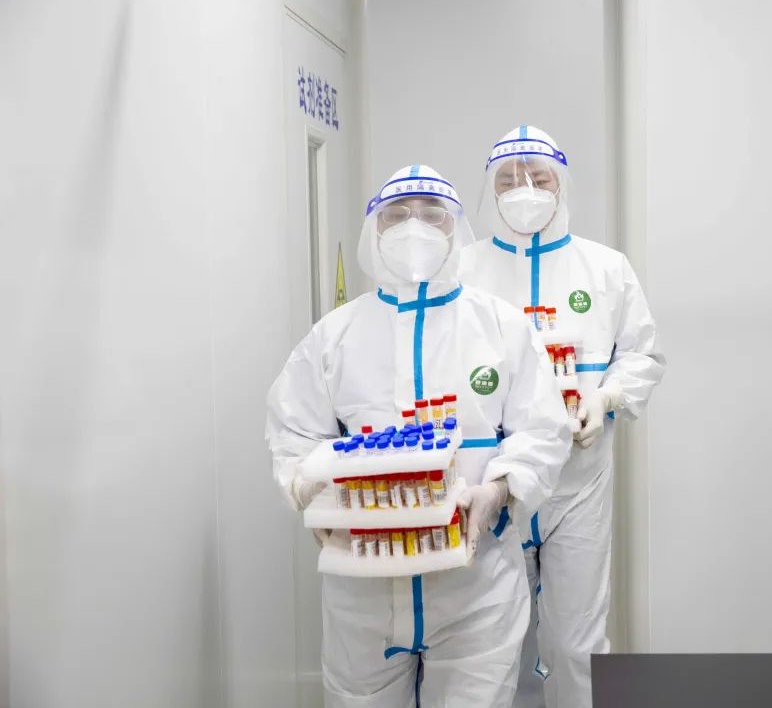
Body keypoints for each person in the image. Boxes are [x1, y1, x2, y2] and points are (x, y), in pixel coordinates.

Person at [266, 164, 572, 707]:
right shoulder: (334, 336)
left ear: (456, 229)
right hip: (363, 588)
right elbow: (293, 429)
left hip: (476, 585)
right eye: (397, 215)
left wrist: (499, 490)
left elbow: (543, 430)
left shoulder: (500, 326)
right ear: (374, 230)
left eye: (433, 216)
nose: (415, 227)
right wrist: (308, 488)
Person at [459, 127, 666, 707]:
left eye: (539, 178)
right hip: (494, 484)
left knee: (577, 643)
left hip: (578, 484)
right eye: (508, 180)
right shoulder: (464, 271)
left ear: (562, 184)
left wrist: (607, 398)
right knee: (488, 645)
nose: (524, 189)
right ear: (490, 190)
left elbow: (642, 355)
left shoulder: (604, 268)